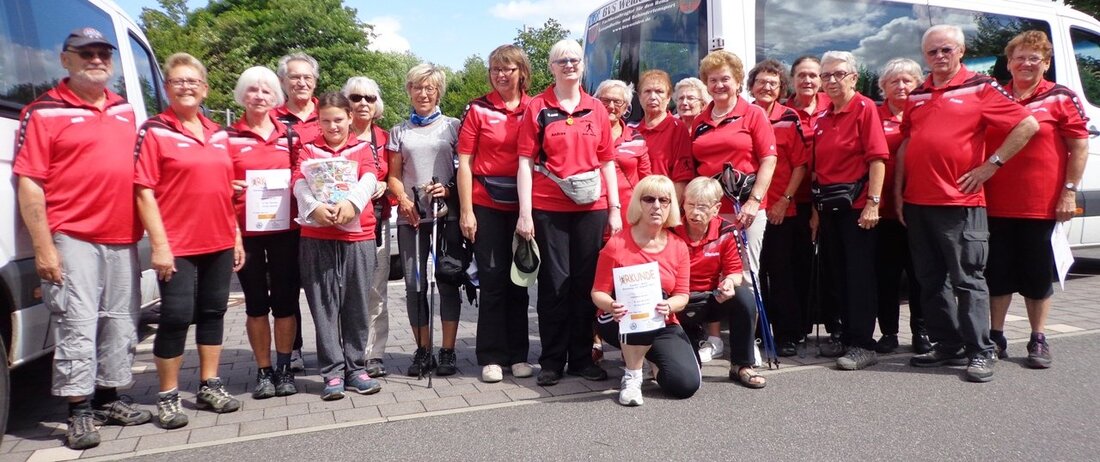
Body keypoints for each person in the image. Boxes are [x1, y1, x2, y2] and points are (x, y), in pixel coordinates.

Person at [14, 27, 152, 449]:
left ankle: (109, 398)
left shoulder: (124, 109)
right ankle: (78, 410)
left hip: (122, 235)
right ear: (65, 59)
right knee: (77, 323)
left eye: (102, 54)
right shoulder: (42, 111)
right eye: (86, 53)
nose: (96, 60)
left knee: (120, 320)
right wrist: (43, 247)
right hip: (73, 236)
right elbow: (30, 184)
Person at [897, 25, 1038, 383]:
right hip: (918, 203)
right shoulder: (918, 94)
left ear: (961, 51)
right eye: (932, 52)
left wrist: (992, 165)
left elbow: (1027, 124)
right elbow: (908, 143)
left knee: (968, 280)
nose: (939, 56)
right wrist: (899, 192)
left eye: (946, 49)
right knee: (930, 281)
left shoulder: (980, 87)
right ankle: (948, 344)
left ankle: (981, 350)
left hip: (960, 202)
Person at [135, 53, 244, 429]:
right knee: (176, 316)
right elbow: (143, 191)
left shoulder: (219, 133)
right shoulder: (154, 130)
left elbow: (226, 189)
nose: (186, 87)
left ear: (205, 89)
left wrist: (236, 235)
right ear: (167, 88)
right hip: (177, 245)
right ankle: (168, 395)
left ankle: (209, 384)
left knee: (213, 313)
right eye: (178, 81)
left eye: (192, 81)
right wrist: (159, 245)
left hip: (218, 239)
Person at [516, 39, 621, 386]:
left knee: (585, 283)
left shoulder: (596, 108)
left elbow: (607, 162)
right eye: (561, 60)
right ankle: (551, 360)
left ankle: (581, 358)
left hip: (592, 207)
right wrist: (525, 213)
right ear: (551, 67)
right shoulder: (537, 107)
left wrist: (614, 208)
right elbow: (525, 163)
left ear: (582, 65)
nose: (569, 65)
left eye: (574, 59)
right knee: (554, 284)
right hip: (549, 207)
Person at [984, 30, 1089, 369]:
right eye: (1019, 57)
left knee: (1037, 274)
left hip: (1039, 205)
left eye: (1034, 58)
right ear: (1009, 63)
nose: (1026, 63)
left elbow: (1079, 146)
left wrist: (1069, 191)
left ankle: (1038, 338)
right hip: (994, 201)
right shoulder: (994, 94)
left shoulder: (1061, 96)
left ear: (1046, 63)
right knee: (997, 273)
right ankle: (996, 336)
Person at [292, 92, 382, 400]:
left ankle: (356, 368)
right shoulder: (308, 149)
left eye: (339, 120)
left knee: (357, 304)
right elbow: (298, 181)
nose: (333, 126)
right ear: (318, 121)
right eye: (326, 120)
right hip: (317, 236)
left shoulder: (362, 148)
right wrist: (314, 207)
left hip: (358, 236)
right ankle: (332, 372)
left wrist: (351, 204)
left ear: (350, 118)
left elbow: (369, 178)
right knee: (324, 306)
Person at [456, 44, 536, 383]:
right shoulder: (478, 109)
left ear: (521, 72)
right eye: (495, 69)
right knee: (491, 279)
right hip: (485, 203)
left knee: (519, 281)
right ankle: (490, 356)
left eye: (507, 69)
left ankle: (518, 355)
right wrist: (466, 211)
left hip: (524, 207)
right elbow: (464, 162)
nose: (500, 75)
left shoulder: (535, 107)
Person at [811, 51, 889, 371]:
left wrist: (873, 202)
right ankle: (845, 336)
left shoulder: (864, 108)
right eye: (826, 75)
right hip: (829, 207)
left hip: (857, 208)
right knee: (837, 275)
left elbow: (877, 158)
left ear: (854, 77)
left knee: (859, 277)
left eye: (839, 74)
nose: (831, 80)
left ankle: (863, 344)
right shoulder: (823, 117)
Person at [227, 66, 301, 399]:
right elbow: (218, 185)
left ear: (276, 97)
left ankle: (284, 368)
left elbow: (302, 175)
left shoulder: (290, 136)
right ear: (242, 95)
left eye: (266, 90)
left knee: (285, 303)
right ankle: (263, 370)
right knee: (256, 305)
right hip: (247, 235)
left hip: (285, 231)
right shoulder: (227, 137)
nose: (259, 96)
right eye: (252, 90)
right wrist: (227, 186)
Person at [592, 175, 699, 406]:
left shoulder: (678, 246)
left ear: (671, 205)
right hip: (619, 319)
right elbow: (597, 293)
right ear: (638, 204)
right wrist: (611, 305)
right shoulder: (616, 244)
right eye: (649, 199)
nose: (656, 206)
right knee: (637, 309)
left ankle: (649, 359)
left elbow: (682, 295)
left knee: (686, 384)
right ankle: (632, 377)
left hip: (662, 320)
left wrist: (669, 305)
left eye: (664, 200)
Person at [688, 50, 777, 325]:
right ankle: (714, 338)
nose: (719, 85)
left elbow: (769, 159)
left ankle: (747, 339)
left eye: (725, 79)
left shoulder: (753, 114)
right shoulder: (700, 121)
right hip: (710, 210)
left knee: (745, 274)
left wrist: (754, 201)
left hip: (744, 209)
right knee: (711, 274)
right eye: (712, 80)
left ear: (738, 81)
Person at [387, 63, 464, 377]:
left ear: (438, 91)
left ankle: (447, 351)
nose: (423, 93)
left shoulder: (453, 126)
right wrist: (403, 200)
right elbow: (393, 176)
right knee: (415, 285)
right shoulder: (399, 131)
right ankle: (423, 350)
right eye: (417, 87)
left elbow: (464, 171)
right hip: (413, 218)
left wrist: (447, 189)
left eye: (429, 88)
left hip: (446, 216)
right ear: (409, 91)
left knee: (448, 280)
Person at [672, 178, 764, 388]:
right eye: (690, 204)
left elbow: (734, 273)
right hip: (678, 300)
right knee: (688, 375)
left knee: (743, 297)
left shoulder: (727, 230)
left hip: (711, 297)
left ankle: (742, 365)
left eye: (702, 207)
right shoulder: (671, 229)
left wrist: (729, 283)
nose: (695, 212)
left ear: (716, 208)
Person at [749, 59, 810, 358]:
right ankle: (759, 333)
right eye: (761, 82)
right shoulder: (743, 115)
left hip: (779, 209)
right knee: (754, 275)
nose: (767, 87)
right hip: (750, 210)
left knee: (782, 274)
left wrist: (784, 201)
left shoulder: (789, 117)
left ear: (781, 88)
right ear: (751, 86)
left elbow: (800, 164)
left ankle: (787, 334)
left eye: (773, 83)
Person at [787, 55, 842, 356]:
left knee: (831, 266)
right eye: (801, 75)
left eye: (813, 75)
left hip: (828, 198)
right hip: (794, 199)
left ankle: (835, 327)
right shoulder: (785, 111)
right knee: (798, 267)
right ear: (792, 79)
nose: (807, 80)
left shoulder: (831, 106)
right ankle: (799, 327)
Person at [874, 58, 930, 355]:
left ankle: (921, 331)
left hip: (918, 205)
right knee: (887, 275)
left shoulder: (925, 113)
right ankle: (888, 333)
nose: (901, 86)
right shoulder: (874, 115)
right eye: (893, 81)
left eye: (908, 80)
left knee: (920, 273)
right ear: (883, 87)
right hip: (882, 208)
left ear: (918, 84)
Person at [274, 52, 321, 372]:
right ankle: (293, 350)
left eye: (307, 77)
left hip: (323, 218)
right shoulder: (271, 118)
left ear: (315, 81)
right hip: (283, 216)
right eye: (294, 77)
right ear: (283, 81)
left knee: (326, 289)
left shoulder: (329, 113)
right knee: (287, 288)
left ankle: (333, 350)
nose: (301, 82)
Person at [344, 76, 392, 378]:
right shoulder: (336, 133)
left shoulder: (385, 138)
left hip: (377, 222)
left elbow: (396, 175)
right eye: (356, 97)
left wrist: (385, 184)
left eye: (369, 98)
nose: (363, 103)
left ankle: (374, 353)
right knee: (346, 292)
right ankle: (348, 352)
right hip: (341, 227)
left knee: (376, 291)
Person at [596, 79, 650, 229]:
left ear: (626, 107)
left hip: (629, 215)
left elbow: (646, 179)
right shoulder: (587, 135)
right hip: (593, 212)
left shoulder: (636, 138)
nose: (611, 106)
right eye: (605, 100)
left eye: (617, 102)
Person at [637, 70, 693, 182]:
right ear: (639, 97)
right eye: (647, 91)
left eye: (659, 92)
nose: (653, 97)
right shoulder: (632, 131)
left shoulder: (677, 129)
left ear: (668, 97)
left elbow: (682, 179)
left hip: (664, 192)